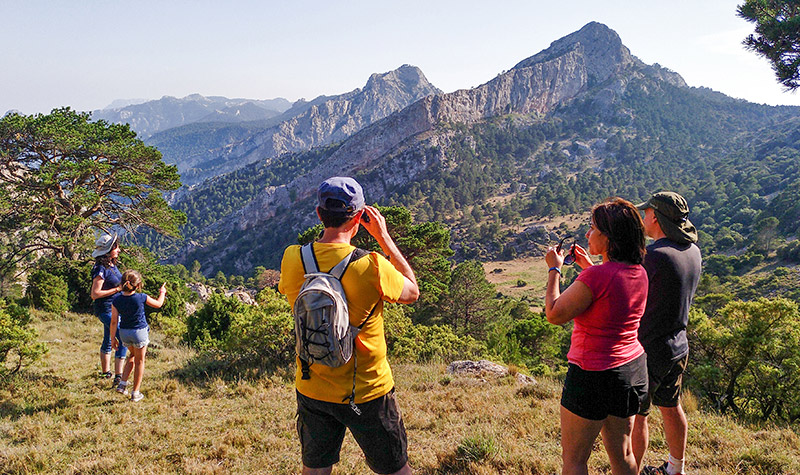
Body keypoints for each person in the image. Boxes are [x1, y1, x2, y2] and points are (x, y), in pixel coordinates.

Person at [278, 177, 419, 475]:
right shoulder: (373, 265)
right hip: (367, 391)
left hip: (311, 386)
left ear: (319, 214)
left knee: (315, 469)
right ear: (359, 217)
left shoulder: (292, 258)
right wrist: (383, 237)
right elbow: (412, 292)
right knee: (395, 469)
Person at [544, 198, 649, 475]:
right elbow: (610, 291)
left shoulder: (597, 277)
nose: (588, 234)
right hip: (631, 370)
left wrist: (554, 269)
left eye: (593, 229)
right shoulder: (639, 272)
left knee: (575, 460)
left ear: (610, 238)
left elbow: (554, 314)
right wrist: (590, 266)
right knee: (623, 452)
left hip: (592, 373)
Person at [632, 192, 702, 475]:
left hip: (649, 347)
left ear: (656, 218)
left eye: (646, 211)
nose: (643, 216)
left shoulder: (656, 257)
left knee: (637, 415)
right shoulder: (692, 251)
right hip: (677, 344)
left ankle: (630, 470)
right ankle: (675, 469)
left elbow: (625, 291)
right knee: (672, 406)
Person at [110, 270, 166, 402]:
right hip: (139, 332)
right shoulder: (141, 297)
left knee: (132, 355)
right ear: (138, 285)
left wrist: (113, 338)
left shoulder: (116, 299)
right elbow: (158, 304)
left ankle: (122, 384)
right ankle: (135, 393)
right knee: (139, 361)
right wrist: (162, 293)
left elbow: (113, 321)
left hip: (124, 332)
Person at [90, 233, 127, 386]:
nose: (118, 249)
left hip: (114, 309)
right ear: (108, 250)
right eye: (115, 247)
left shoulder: (111, 265)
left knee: (108, 339)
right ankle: (119, 375)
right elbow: (95, 294)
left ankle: (106, 373)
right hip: (106, 310)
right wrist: (117, 289)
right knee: (122, 337)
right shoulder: (100, 268)